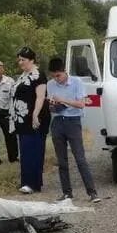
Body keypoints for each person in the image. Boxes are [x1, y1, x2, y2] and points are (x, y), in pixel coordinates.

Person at [46, 57, 100, 203]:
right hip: (58, 121)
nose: (56, 79)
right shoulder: (50, 84)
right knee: (62, 161)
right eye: (53, 76)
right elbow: (52, 105)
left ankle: (92, 192)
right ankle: (67, 193)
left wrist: (63, 100)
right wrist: (52, 104)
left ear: (65, 71)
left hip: (73, 121)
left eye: (59, 75)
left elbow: (81, 104)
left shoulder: (76, 82)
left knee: (80, 158)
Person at [12, 47, 48, 194]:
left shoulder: (38, 75)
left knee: (34, 148)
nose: (21, 62)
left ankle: (33, 182)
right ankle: (27, 181)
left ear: (31, 60)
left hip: (34, 117)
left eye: (23, 60)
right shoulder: (23, 75)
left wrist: (35, 114)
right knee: (25, 150)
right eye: (19, 60)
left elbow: (40, 96)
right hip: (21, 118)